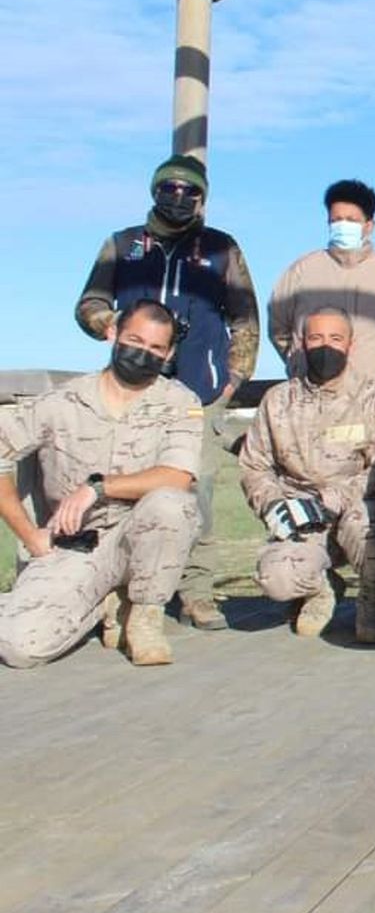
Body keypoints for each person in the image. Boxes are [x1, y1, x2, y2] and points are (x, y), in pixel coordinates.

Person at [74, 154, 258, 633]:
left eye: (189, 191)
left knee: (196, 493)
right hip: (134, 386)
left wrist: (233, 380)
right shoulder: (122, 245)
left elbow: (245, 318)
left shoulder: (222, 249)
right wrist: (109, 324)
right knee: (127, 489)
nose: (178, 197)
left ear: (202, 198)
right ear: (155, 191)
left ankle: (196, 592)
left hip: (199, 391)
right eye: (169, 188)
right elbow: (90, 302)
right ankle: (123, 592)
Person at [0, 301, 201, 668]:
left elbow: (178, 475)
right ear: (112, 334)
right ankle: (102, 603)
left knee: (173, 504)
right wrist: (29, 534)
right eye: (134, 340)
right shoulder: (60, 401)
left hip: (137, 537)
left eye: (156, 348)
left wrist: (98, 487)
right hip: (72, 545)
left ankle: (143, 615)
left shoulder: (179, 402)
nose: (143, 353)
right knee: (21, 648)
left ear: (169, 352)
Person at [238, 307, 375, 643]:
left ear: (350, 345)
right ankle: (320, 590)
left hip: (355, 508)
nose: (326, 346)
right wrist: (272, 505)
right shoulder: (278, 401)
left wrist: (330, 501)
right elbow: (255, 466)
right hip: (299, 512)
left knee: (363, 527)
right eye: (316, 338)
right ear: (302, 344)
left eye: (335, 338)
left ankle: (374, 595)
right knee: (276, 578)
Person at [268, 179, 375, 412]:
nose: (342, 225)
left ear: (369, 225)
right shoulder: (300, 272)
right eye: (336, 220)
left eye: (351, 220)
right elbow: (279, 328)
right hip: (310, 403)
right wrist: (301, 362)